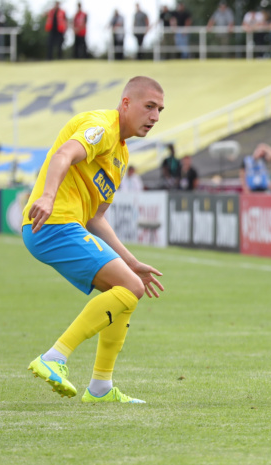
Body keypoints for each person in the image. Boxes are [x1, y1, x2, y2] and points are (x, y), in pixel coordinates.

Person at [22, 76, 165, 404]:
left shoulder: (121, 155)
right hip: (52, 222)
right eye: (149, 107)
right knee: (130, 289)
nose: (155, 116)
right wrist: (46, 196)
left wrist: (132, 263)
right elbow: (63, 155)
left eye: (160, 109)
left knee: (127, 292)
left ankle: (100, 387)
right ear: (126, 103)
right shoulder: (101, 127)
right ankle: (54, 358)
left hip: (67, 226)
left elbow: (96, 218)